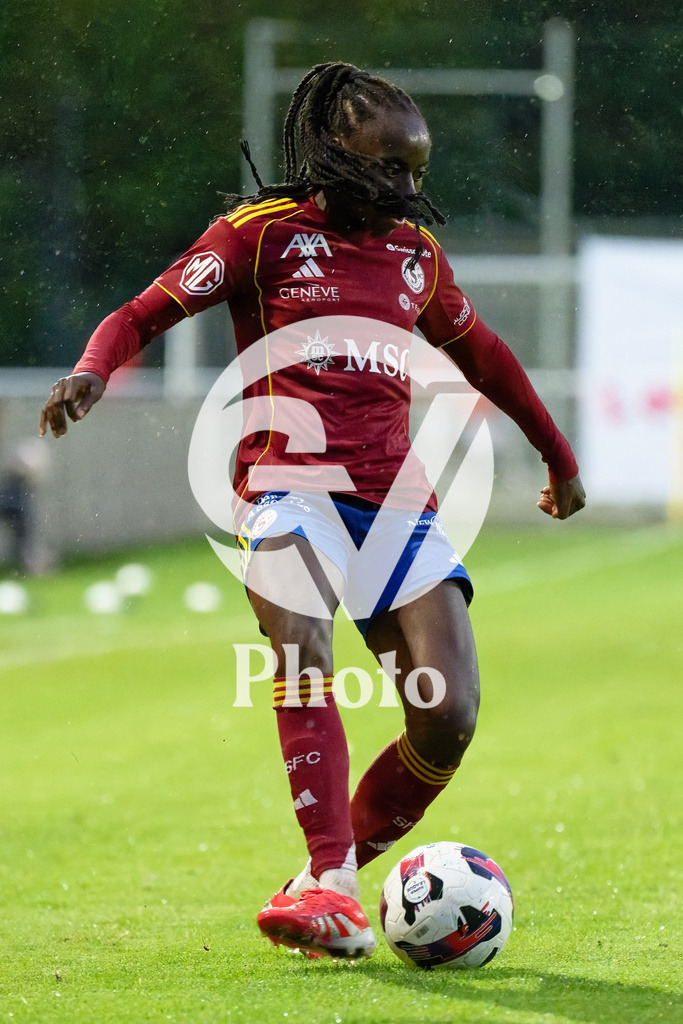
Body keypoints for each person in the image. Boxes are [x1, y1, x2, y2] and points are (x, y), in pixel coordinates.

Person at [39, 62, 585, 960]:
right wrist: (96, 368)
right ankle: (331, 879)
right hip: (287, 488)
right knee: (302, 649)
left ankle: (318, 883)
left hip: (397, 502)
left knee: (447, 715)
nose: (409, 192)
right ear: (336, 149)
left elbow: (485, 357)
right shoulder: (258, 236)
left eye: (418, 173)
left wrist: (558, 458)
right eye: (391, 169)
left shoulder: (415, 256)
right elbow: (142, 312)